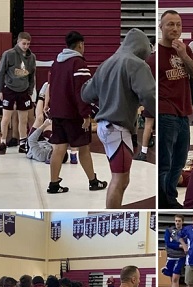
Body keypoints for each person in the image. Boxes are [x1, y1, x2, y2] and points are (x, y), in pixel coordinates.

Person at [81, 28, 154, 208]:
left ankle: (114, 212)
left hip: (105, 126)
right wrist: (158, 113)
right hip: (118, 128)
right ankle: (113, 216)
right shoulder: (137, 64)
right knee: (119, 179)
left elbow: (86, 94)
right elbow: (148, 94)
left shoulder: (106, 63)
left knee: (122, 178)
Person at [48, 31, 107, 195]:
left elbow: (51, 87)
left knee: (58, 148)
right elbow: (82, 91)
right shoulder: (78, 63)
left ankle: (53, 184)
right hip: (74, 114)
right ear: (80, 44)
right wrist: (86, 114)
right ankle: (93, 181)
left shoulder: (56, 62)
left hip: (57, 112)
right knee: (84, 148)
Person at [158, 9, 193, 209]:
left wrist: (184, 55)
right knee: (165, 162)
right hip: (165, 113)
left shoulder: (186, 51)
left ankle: (170, 198)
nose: (175, 28)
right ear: (161, 27)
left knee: (179, 161)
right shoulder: (155, 55)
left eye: (178, 24)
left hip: (184, 113)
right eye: (170, 24)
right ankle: (163, 201)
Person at [0, 32, 36, 154]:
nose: (26, 46)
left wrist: (30, 90)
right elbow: (1, 72)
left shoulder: (32, 57)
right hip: (9, 89)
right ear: (18, 42)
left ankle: (22, 142)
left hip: (23, 90)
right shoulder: (9, 54)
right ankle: (3, 142)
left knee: (23, 119)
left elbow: (32, 76)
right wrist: (0, 90)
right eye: (24, 44)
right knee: (6, 118)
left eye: (28, 44)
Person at [134, 36, 156, 162]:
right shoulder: (165, 57)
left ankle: (143, 152)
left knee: (148, 123)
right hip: (165, 96)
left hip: (151, 94)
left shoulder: (148, 60)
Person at [162, 214, 186, 287]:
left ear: (182, 222)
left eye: (179, 221)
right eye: (176, 221)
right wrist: (180, 246)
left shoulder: (185, 231)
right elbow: (168, 243)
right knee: (172, 278)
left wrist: (183, 246)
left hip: (180, 257)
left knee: (176, 276)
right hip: (170, 256)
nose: (177, 223)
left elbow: (186, 244)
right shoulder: (169, 230)